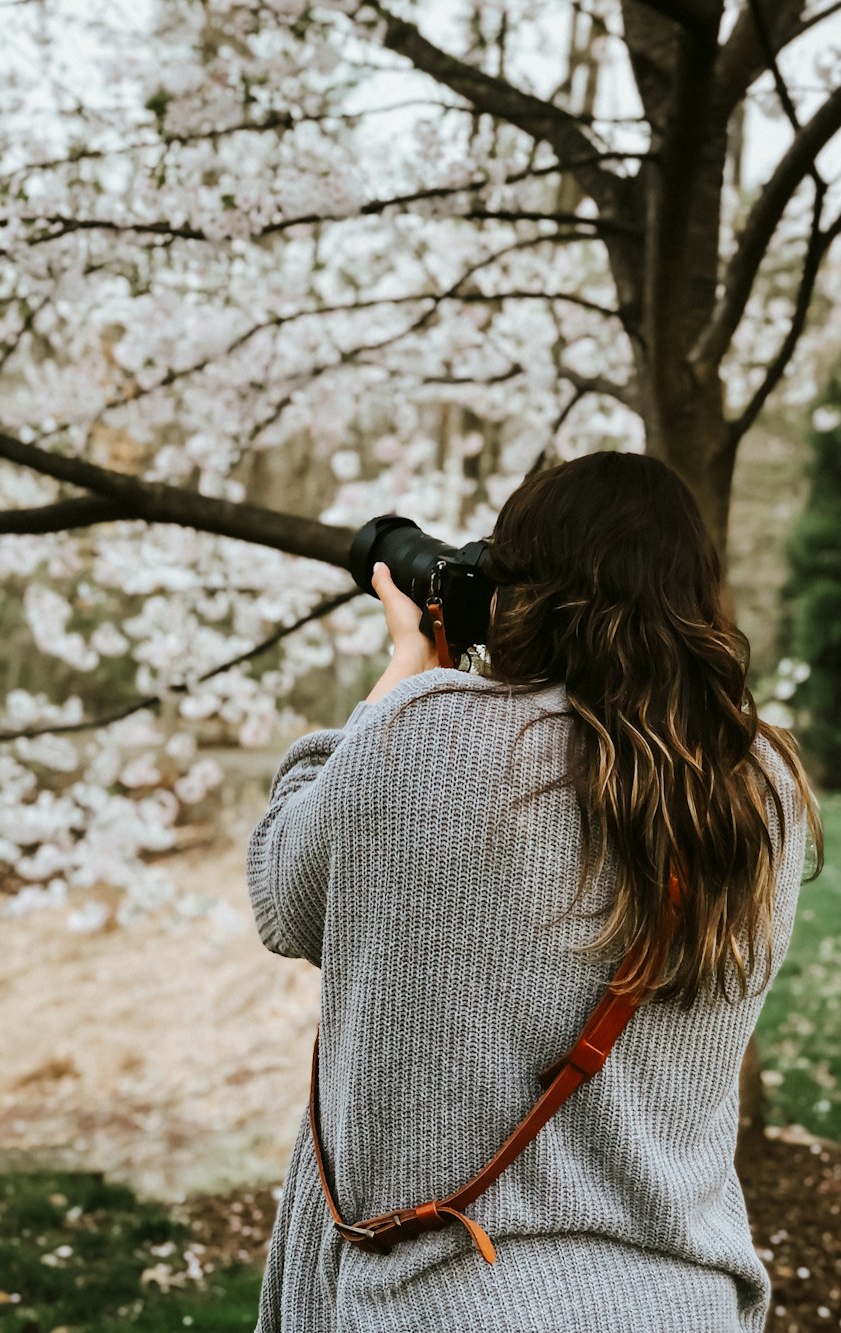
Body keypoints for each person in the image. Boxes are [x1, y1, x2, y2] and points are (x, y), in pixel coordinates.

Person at [245, 452, 822, 1333]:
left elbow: (285, 897)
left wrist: (408, 668)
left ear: (524, 589)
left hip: (456, 1304)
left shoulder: (426, 733)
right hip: (685, 1304)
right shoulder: (762, 784)